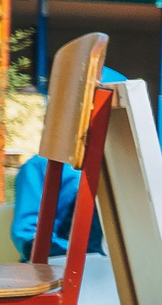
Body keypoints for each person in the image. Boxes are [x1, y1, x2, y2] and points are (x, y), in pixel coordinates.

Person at [10, 66, 124, 258]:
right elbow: (29, 236)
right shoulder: (39, 167)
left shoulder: (136, 172)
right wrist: (81, 257)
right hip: (62, 266)